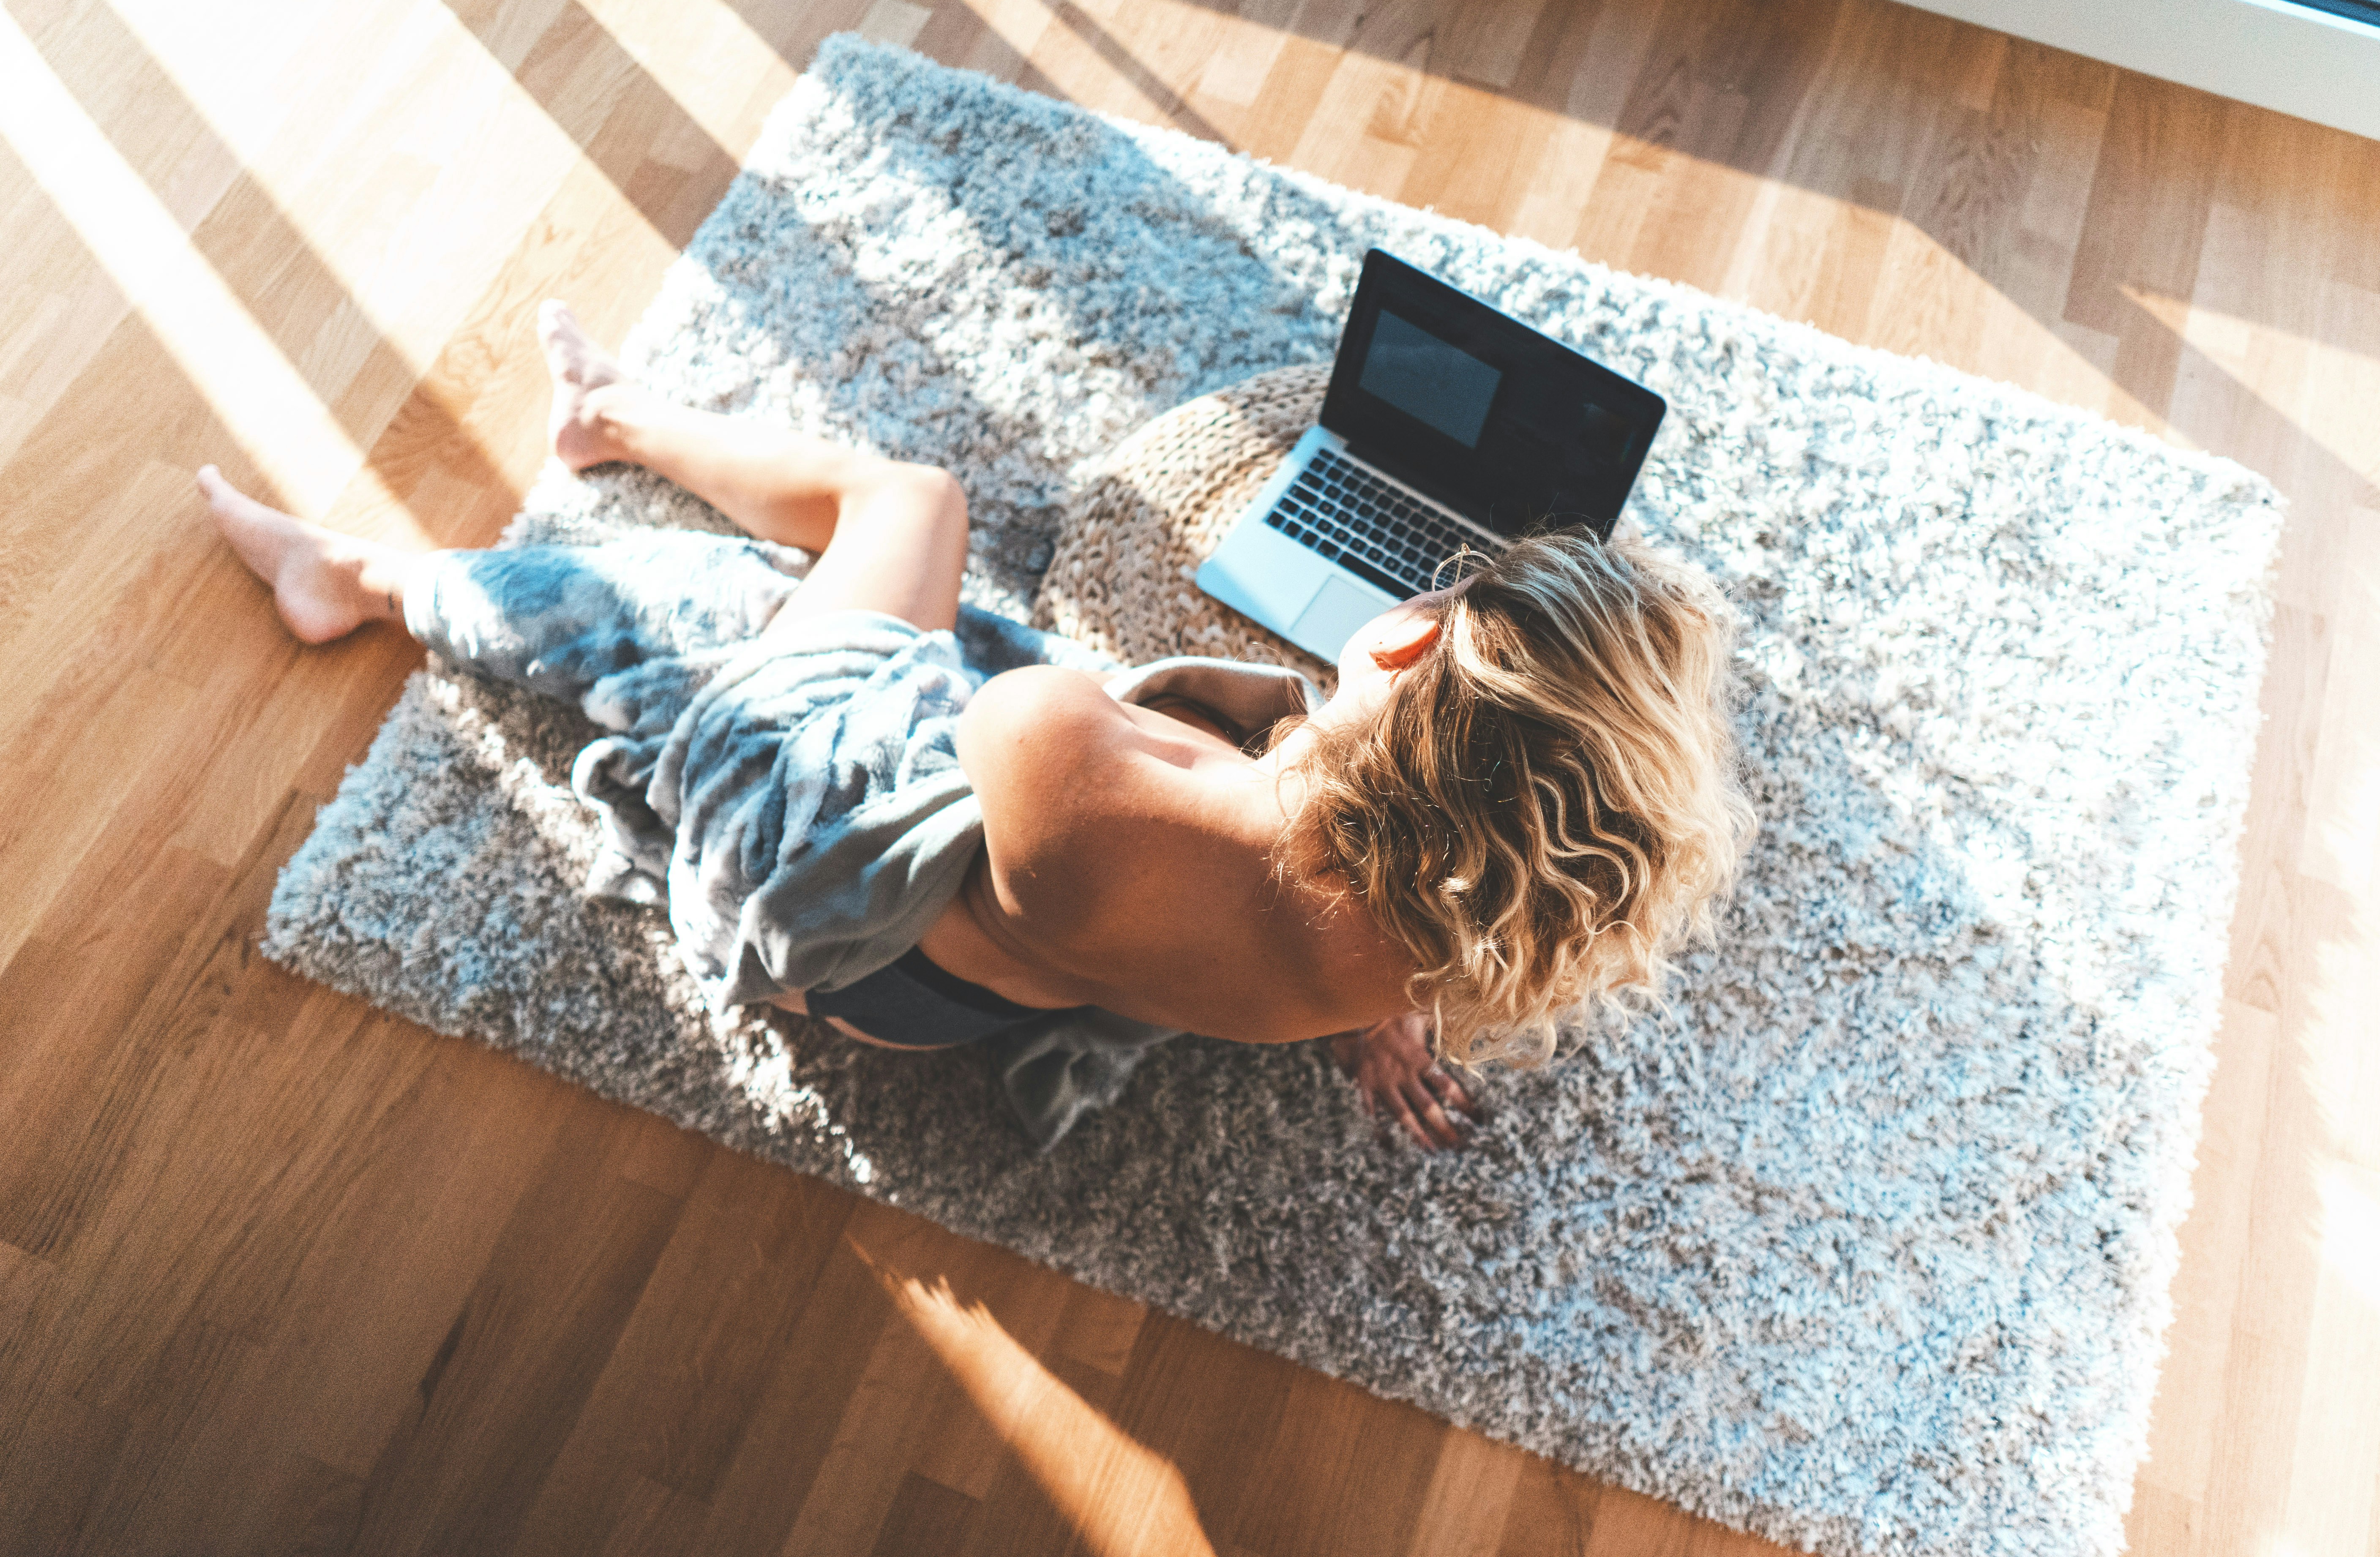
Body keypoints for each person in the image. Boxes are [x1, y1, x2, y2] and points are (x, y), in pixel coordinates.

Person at [200, 303, 1755, 1150]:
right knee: (848, 570)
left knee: (844, 537)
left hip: (829, 886)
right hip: (981, 985)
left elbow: (1004, 702)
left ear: (1406, 631)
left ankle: (380, 575)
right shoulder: (1429, 948)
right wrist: (1378, 1014)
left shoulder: (1086, 771)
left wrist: (1206, 715)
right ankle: (605, 427)